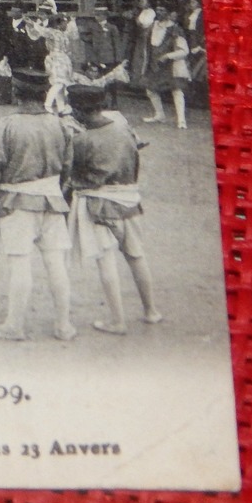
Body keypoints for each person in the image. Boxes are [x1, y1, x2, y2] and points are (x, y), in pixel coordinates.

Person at [0, 68, 75, 341]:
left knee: (20, 263)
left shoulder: (8, 125)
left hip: (17, 201)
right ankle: (63, 325)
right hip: (52, 200)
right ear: (43, 95)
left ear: (16, 93)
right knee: (55, 263)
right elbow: (68, 166)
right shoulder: (60, 124)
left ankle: (14, 325)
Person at [65, 84, 162, 333]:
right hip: (129, 199)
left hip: (99, 204)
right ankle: (151, 310)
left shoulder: (82, 140)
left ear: (79, 110)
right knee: (136, 255)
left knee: (106, 260)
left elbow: (73, 175)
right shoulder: (124, 128)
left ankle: (117, 321)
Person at [141, 2, 190, 128]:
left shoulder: (175, 29)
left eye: (162, 10)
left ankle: (181, 120)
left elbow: (184, 51)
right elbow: (148, 47)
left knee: (176, 90)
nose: (159, 12)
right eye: (157, 9)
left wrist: (168, 56)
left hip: (171, 65)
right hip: (154, 64)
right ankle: (159, 114)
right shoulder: (152, 26)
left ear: (168, 13)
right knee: (150, 89)